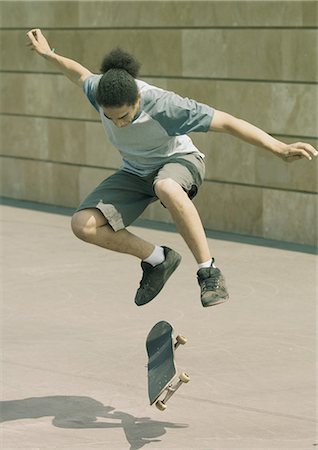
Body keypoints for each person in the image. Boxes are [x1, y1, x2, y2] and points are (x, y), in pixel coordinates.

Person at [27, 29, 317, 308]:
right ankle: (157, 259)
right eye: (111, 118)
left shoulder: (166, 106)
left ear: (137, 100)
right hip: (135, 171)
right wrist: (47, 53)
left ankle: (209, 272)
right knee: (83, 226)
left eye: (125, 116)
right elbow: (79, 73)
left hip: (179, 162)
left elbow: (227, 122)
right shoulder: (99, 91)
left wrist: (279, 148)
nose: (118, 124)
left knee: (165, 186)